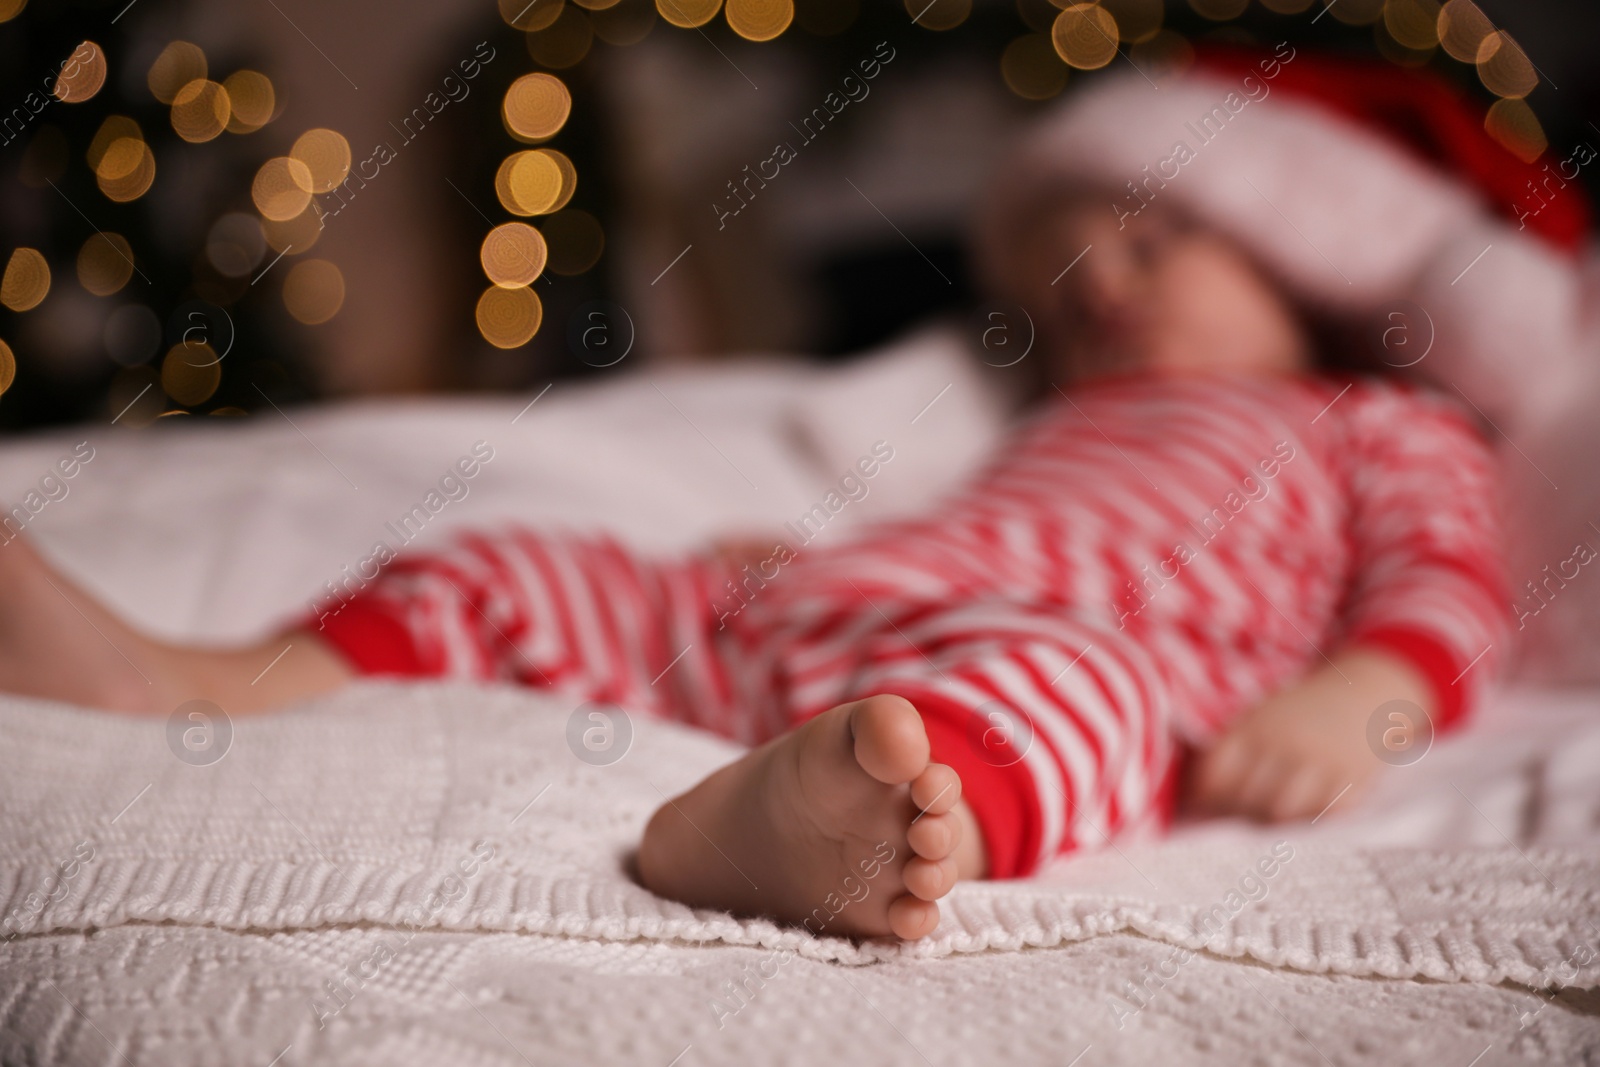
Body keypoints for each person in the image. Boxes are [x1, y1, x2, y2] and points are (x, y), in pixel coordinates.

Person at [0, 51, 1527, 942]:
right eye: (1067, 283)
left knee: (1079, 697)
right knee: (536, 566)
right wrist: (790, 564)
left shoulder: (1362, 421)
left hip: (1035, 664)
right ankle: (192, 674)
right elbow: (948, 540)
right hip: (815, 617)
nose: (1095, 292)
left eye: (1152, 249)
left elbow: (1449, 589)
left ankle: (831, 832)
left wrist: (1358, 700)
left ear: (1309, 267)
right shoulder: (1053, 427)